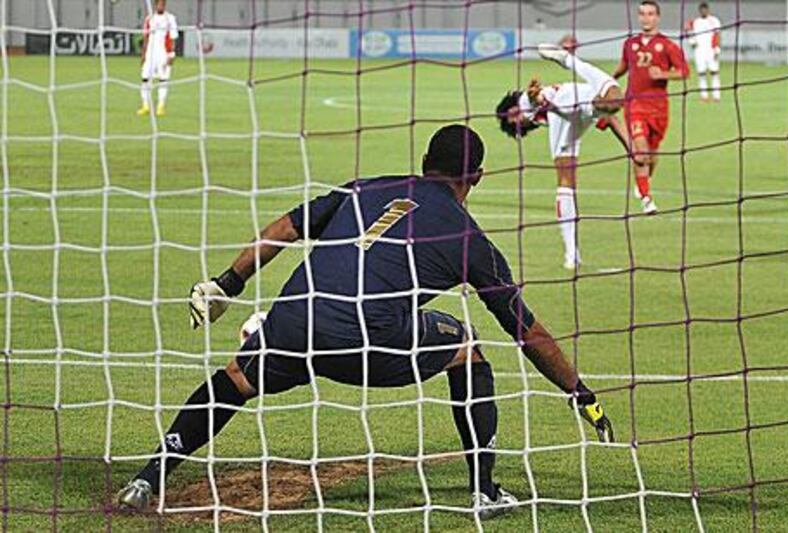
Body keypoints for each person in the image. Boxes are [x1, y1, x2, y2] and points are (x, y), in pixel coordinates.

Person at [116, 125, 614, 519]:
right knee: (466, 346)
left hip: (297, 317)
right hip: (369, 341)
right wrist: (580, 391)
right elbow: (528, 332)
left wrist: (230, 281)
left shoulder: (366, 187)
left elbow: (286, 228)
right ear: (477, 177)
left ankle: (147, 478)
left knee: (236, 378)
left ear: (423, 165)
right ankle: (485, 492)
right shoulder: (469, 239)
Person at [495, 45, 628, 270]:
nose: (517, 118)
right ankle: (571, 253)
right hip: (567, 117)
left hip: (573, 100)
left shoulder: (527, 104)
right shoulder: (536, 117)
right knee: (565, 184)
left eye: (514, 114)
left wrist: (631, 148)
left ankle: (566, 59)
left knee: (614, 101)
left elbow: (531, 100)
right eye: (513, 121)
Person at [613, 0, 690, 214]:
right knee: (641, 151)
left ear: (657, 17)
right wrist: (609, 79)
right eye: (642, 14)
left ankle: (644, 181)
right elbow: (624, 66)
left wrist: (663, 74)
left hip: (658, 108)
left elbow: (684, 71)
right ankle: (647, 199)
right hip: (634, 104)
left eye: (650, 14)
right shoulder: (630, 43)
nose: (646, 18)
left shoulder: (667, 45)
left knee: (652, 154)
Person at [137, 0, 178, 117]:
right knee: (145, 79)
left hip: (163, 54)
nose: (161, 6)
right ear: (155, 5)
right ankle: (145, 106)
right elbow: (146, 38)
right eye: (159, 4)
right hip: (150, 54)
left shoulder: (170, 19)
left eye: (163, 4)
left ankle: (161, 106)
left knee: (163, 80)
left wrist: (172, 54)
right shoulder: (149, 19)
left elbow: (173, 37)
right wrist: (143, 55)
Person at [686, 2, 722, 102]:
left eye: (705, 9)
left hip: (710, 50)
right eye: (701, 9)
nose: (703, 11)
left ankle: (716, 96)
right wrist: (692, 42)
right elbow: (689, 32)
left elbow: (717, 35)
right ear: (699, 10)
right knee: (701, 74)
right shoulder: (696, 22)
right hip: (699, 51)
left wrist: (717, 49)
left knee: (714, 72)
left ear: (708, 10)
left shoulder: (714, 21)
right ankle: (704, 96)